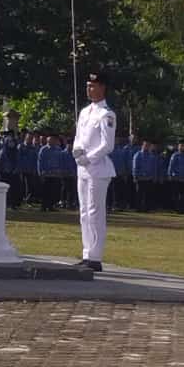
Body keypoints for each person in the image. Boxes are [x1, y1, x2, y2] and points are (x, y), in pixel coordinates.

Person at [71, 70, 116, 272]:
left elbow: (108, 145)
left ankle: (95, 257)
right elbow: (79, 137)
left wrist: (89, 158)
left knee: (95, 212)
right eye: (88, 85)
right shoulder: (84, 112)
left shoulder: (107, 114)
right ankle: (86, 252)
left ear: (102, 87)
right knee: (83, 213)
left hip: (98, 169)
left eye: (93, 86)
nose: (89, 89)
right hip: (83, 168)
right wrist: (77, 152)